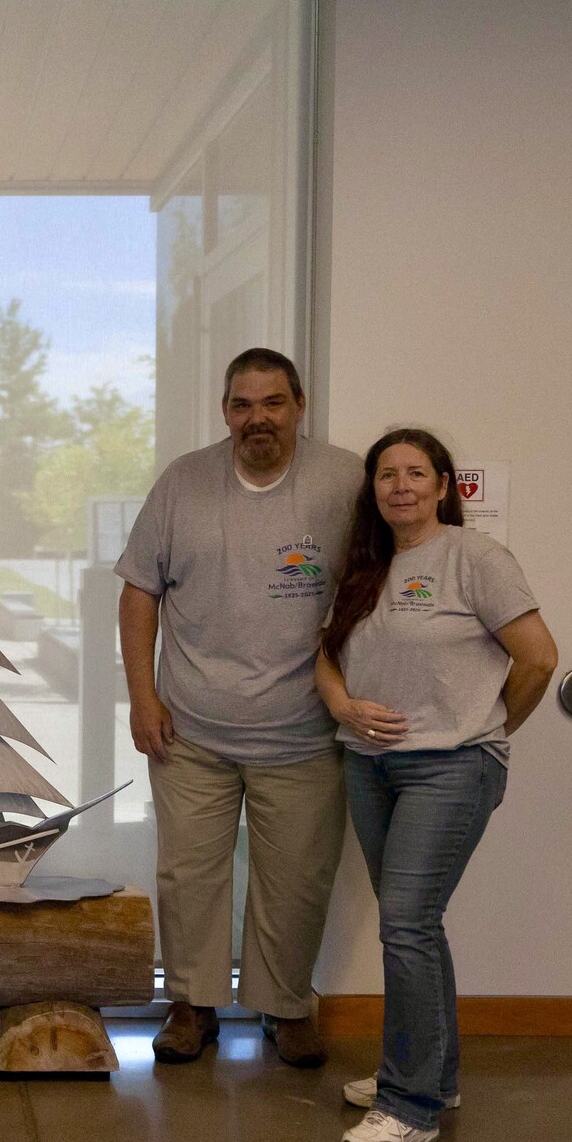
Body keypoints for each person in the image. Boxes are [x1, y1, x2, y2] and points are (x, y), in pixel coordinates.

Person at [115, 348, 362, 1067]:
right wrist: (142, 697)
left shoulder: (346, 481)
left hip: (306, 732)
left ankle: (286, 1007)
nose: (259, 418)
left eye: (273, 402)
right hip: (191, 731)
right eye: (243, 404)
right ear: (225, 411)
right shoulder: (183, 483)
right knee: (188, 877)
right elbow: (139, 591)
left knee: (297, 882)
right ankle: (190, 1005)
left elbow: (381, 577)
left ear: (299, 405)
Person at [316, 429, 556, 1142]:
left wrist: (484, 728)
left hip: (449, 770)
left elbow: (539, 657)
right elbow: (325, 656)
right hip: (369, 766)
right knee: (416, 923)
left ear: (444, 485)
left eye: (416, 473)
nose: (401, 486)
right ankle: (435, 1078)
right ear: (373, 489)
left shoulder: (475, 557)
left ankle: (409, 1105)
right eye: (387, 474)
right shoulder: (366, 565)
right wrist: (344, 705)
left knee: (405, 924)